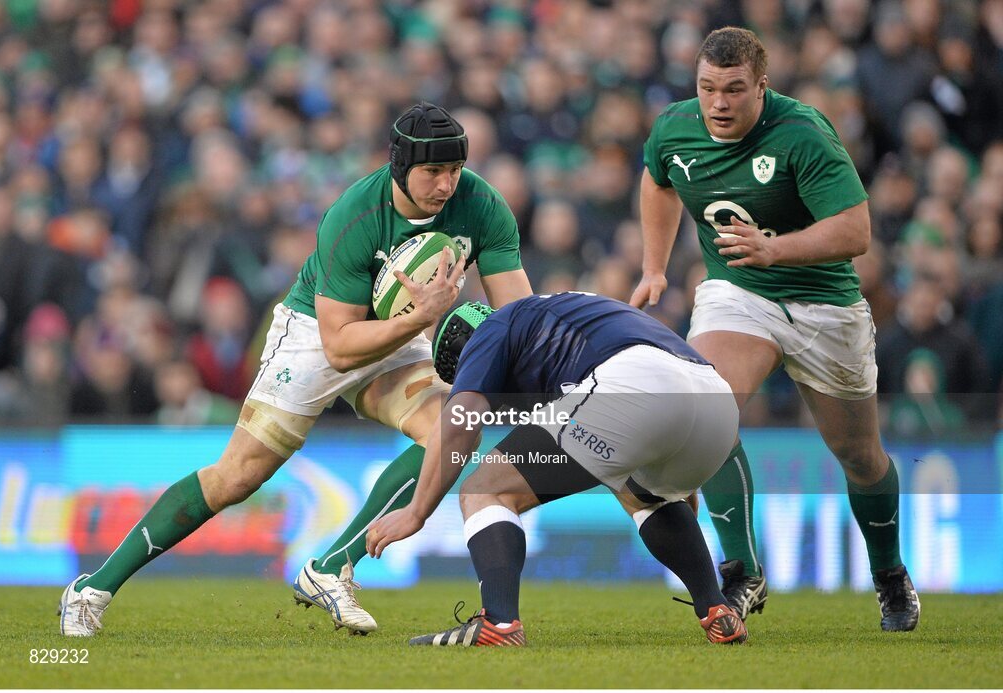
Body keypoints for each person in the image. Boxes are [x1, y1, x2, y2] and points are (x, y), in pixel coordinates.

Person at [59, 102, 533, 637]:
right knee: (236, 478)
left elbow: (517, 312)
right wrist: (424, 315)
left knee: (452, 429)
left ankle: (332, 566)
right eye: (433, 172)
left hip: (399, 336)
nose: (447, 185)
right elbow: (339, 346)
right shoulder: (355, 216)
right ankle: (91, 588)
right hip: (315, 335)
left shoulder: (482, 204)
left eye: (454, 170)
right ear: (400, 166)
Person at [629, 27, 920, 631]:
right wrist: (654, 266)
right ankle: (741, 573)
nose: (719, 103)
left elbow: (856, 232)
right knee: (705, 409)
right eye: (708, 88)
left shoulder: (802, 133)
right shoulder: (675, 128)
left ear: (762, 86)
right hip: (740, 294)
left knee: (860, 456)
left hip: (824, 305)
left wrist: (776, 249)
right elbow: (658, 181)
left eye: (734, 89)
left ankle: (890, 574)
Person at [365, 293, 748, 646]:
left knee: (485, 490)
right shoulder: (555, 322)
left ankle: (498, 623)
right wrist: (673, 487)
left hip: (636, 383)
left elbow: (461, 420)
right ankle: (717, 609)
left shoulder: (490, 332)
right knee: (643, 495)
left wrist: (418, 512)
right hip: (716, 405)